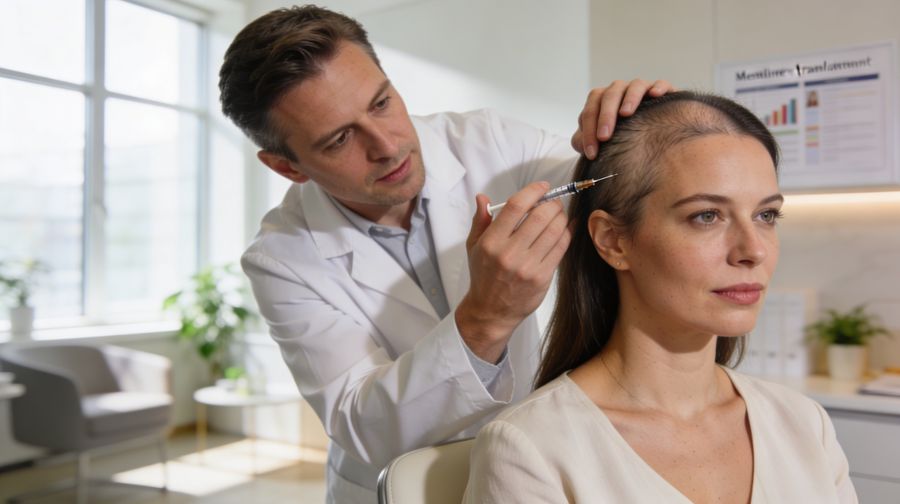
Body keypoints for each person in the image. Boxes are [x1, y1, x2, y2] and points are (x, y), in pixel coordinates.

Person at [217, 5, 671, 502]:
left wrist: (644, 129)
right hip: (400, 487)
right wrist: (486, 318)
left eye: (381, 102)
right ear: (287, 167)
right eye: (340, 138)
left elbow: (611, 184)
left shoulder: (488, 141)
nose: (386, 146)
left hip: (527, 463)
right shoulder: (281, 258)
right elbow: (363, 424)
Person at [464, 91, 858, 503]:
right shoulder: (531, 449)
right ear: (613, 240)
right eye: (706, 216)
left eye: (766, 215)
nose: (753, 250)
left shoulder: (804, 423)